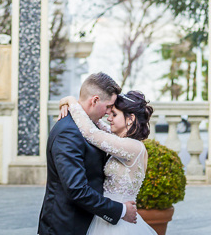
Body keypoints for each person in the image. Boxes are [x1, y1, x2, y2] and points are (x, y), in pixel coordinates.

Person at [38, 72, 137, 235]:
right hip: (66, 226)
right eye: (107, 106)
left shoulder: (92, 127)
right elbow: (77, 189)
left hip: (88, 224)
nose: (108, 113)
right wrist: (121, 211)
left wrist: (68, 100)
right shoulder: (68, 132)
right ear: (95, 100)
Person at [58, 89, 156, 234]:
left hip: (121, 223)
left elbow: (91, 132)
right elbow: (94, 122)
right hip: (108, 216)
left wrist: (72, 101)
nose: (109, 118)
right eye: (109, 114)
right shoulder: (120, 141)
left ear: (131, 119)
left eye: (114, 114)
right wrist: (64, 101)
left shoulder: (134, 147)